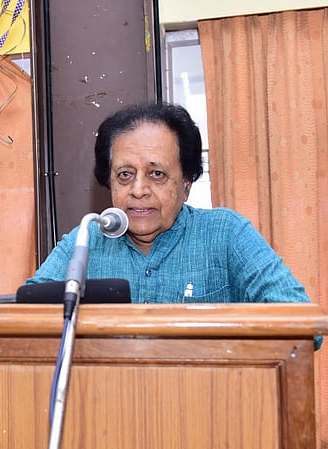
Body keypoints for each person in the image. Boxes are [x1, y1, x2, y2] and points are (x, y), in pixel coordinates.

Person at [26, 102, 320, 347]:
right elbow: (22, 317)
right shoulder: (87, 239)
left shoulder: (227, 234)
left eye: (157, 174)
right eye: (125, 175)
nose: (138, 189)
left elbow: (305, 324)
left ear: (187, 184)